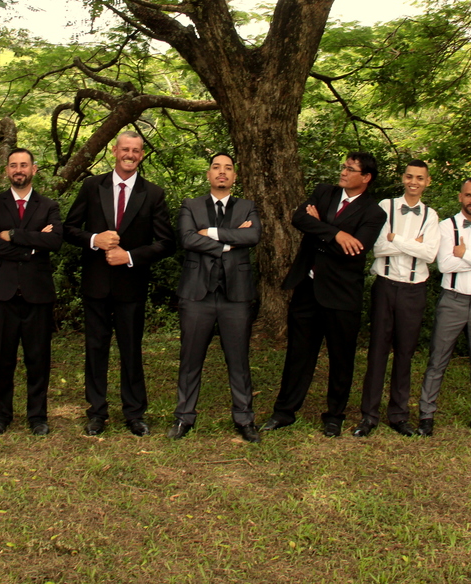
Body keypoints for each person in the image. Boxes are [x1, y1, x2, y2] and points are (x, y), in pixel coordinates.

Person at [262, 152, 385, 437]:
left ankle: (334, 415)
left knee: (342, 357)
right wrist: (337, 234)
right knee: (298, 354)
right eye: (343, 166)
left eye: (350, 169)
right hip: (307, 287)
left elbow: (354, 250)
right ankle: (284, 412)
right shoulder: (324, 192)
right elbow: (298, 218)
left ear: (365, 177)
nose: (343, 172)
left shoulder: (373, 212)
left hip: (342, 294)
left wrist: (321, 230)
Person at [63, 131, 175, 436]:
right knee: (95, 348)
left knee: (131, 350)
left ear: (141, 155)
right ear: (115, 151)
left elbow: (166, 243)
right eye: (125, 149)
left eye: (136, 150)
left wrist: (129, 256)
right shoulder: (91, 186)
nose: (130, 154)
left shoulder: (153, 194)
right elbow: (69, 229)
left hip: (131, 285)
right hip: (96, 284)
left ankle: (134, 413)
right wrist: (94, 239)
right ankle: (96, 412)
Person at [168, 152, 262, 443]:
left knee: (239, 360)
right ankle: (184, 417)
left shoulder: (248, 207)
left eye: (228, 168)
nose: (222, 172)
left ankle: (244, 418)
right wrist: (228, 241)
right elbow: (186, 238)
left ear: (235, 177)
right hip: (197, 296)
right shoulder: (190, 205)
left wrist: (210, 233)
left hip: (237, 296)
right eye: (216, 168)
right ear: (208, 174)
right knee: (190, 359)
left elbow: (253, 236)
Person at [0, 148, 63, 437]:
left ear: (34, 169)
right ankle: (1, 415)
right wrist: (33, 245)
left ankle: (37, 416)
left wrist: (13, 235)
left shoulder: (48, 205)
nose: (18, 170)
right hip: (0, 293)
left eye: (24, 165)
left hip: (36, 293)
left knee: (38, 358)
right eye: (13, 165)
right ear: (6, 171)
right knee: (0, 357)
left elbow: (55, 242)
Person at [355, 159, 441, 437]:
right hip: (386, 285)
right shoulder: (385, 207)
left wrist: (397, 239)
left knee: (405, 353)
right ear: (403, 178)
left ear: (427, 182)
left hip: (414, 290)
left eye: (420, 178)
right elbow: (377, 247)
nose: (414, 182)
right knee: (377, 351)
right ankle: (369, 415)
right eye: (409, 176)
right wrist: (412, 244)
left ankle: (399, 415)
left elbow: (430, 255)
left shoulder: (432, 216)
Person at [416, 178, 471, 437]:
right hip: (452, 300)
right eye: (468, 195)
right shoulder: (446, 226)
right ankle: (426, 416)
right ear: (460, 197)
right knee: (437, 360)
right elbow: (444, 266)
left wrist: (464, 254)